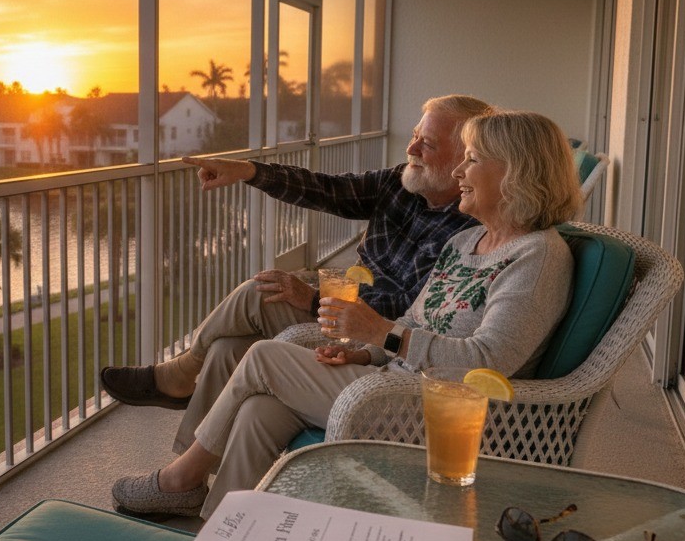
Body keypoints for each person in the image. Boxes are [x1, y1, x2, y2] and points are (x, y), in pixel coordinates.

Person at [111, 109, 581, 519]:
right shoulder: (466, 242)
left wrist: (377, 332)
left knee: (263, 357)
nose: (461, 169)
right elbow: (414, 324)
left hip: (442, 412)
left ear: (516, 172)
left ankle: (179, 480)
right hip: (391, 380)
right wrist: (362, 352)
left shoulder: (535, 259)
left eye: (473, 159)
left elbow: (488, 360)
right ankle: (222, 526)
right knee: (260, 408)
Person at [100, 94, 492, 461]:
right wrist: (250, 171)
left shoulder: (472, 227)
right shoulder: (399, 183)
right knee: (225, 349)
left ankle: (179, 376)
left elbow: (406, 308)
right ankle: (188, 462)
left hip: (370, 328)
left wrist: (310, 298)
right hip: (343, 304)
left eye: (428, 144)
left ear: (464, 158)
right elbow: (328, 190)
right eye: (414, 137)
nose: (411, 150)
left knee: (259, 291)